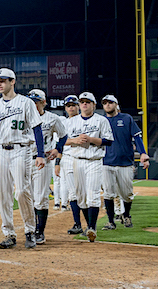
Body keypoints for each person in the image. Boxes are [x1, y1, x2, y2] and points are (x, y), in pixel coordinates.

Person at [0, 70, 45, 250]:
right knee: (4, 195)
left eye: (3, 81)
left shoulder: (25, 102)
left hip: (21, 149)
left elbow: (37, 128)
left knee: (22, 192)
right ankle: (9, 234)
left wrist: (40, 154)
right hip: (2, 151)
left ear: (13, 82)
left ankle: (30, 231)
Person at [55, 92, 113, 242]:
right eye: (82, 102)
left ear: (94, 105)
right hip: (76, 160)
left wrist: (91, 139)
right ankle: (88, 226)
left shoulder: (101, 120)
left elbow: (108, 141)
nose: (84, 104)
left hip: (94, 160)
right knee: (80, 198)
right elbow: (62, 142)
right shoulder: (70, 122)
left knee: (92, 194)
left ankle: (92, 227)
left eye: (88, 102)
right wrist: (76, 140)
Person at [100, 95, 150, 229]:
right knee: (108, 193)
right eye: (105, 103)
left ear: (116, 104)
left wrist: (143, 153)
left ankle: (126, 215)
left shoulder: (126, 118)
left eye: (110, 102)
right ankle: (111, 221)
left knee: (127, 194)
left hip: (125, 162)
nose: (107, 105)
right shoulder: (100, 121)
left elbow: (137, 137)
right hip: (106, 162)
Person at [27, 89, 67, 244]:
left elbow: (63, 136)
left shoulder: (52, 118)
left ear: (44, 102)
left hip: (43, 161)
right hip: (23, 159)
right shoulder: (23, 117)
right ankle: (29, 229)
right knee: (24, 196)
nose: (33, 105)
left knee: (41, 197)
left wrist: (57, 149)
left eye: (36, 102)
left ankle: (39, 231)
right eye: (31, 102)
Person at [57, 95, 82, 232]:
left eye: (73, 105)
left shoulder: (85, 121)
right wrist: (57, 162)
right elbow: (59, 143)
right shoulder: (63, 123)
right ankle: (77, 224)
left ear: (78, 106)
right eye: (68, 106)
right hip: (67, 158)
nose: (71, 107)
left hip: (84, 157)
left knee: (87, 194)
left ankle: (91, 224)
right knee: (73, 193)